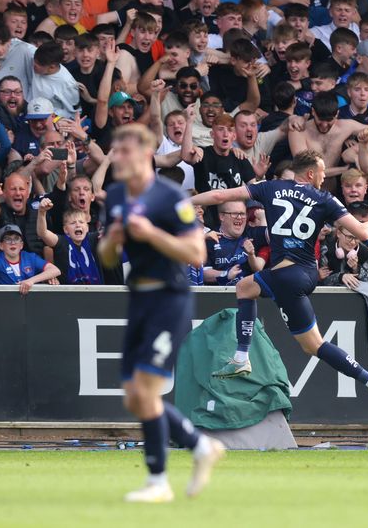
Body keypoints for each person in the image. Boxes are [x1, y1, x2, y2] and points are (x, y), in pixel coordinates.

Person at [189, 150, 368, 409]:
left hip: (286, 275)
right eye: (322, 172)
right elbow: (364, 232)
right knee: (311, 343)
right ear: (310, 173)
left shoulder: (271, 187)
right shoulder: (325, 199)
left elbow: (220, 196)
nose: (324, 178)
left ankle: (242, 356)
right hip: (302, 274)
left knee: (246, 289)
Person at [97, 124, 224, 503]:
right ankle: (200, 444)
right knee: (135, 396)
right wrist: (113, 240)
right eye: (115, 150)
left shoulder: (170, 198)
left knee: (147, 390)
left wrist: (150, 234)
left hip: (170, 299)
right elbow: (106, 257)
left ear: (145, 155)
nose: (116, 157)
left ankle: (158, 481)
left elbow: (196, 254)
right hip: (138, 299)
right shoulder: (117, 194)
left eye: (123, 151)